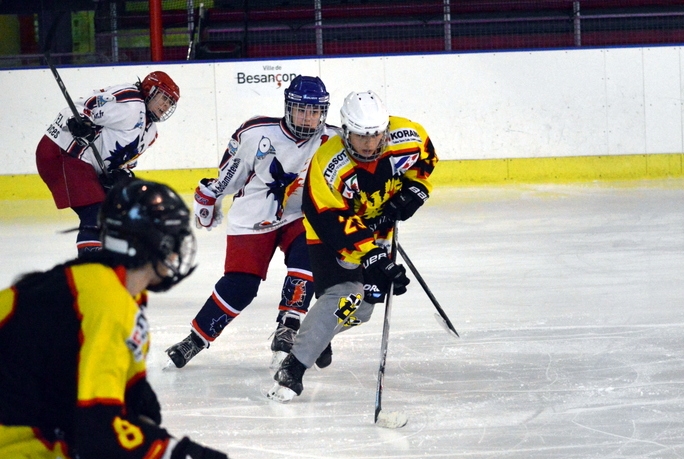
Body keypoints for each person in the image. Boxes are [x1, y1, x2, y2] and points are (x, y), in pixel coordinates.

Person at [0, 179, 248, 459]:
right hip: (12, 457)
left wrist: (136, 405)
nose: (178, 252)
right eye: (173, 240)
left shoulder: (96, 283)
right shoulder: (108, 303)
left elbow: (68, 373)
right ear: (153, 244)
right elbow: (98, 432)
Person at [267, 90, 437, 403]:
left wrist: (414, 193)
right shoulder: (328, 164)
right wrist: (373, 257)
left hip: (377, 229)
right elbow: (330, 219)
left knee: (364, 307)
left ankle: (317, 333)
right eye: (361, 136)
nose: (370, 144)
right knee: (344, 294)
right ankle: (293, 368)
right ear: (345, 131)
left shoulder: (408, 137)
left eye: (375, 135)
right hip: (329, 234)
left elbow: (425, 161)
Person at [165, 75, 340, 370]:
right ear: (288, 107)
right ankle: (195, 339)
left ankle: (289, 324)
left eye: (315, 111)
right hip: (255, 214)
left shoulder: (332, 140)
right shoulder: (257, 133)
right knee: (240, 285)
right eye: (301, 110)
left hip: (300, 213)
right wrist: (209, 196)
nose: (308, 118)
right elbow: (230, 174)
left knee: (308, 254)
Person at [36, 71, 180, 256]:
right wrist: (79, 123)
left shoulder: (151, 133)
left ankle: (113, 261)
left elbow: (124, 163)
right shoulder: (131, 103)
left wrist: (121, 175)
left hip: (83, 163)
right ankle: (90, 270)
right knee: (96, 213)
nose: (165, 105)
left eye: (170, 103)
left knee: (118, 212)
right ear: (149, 90)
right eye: (164, 98)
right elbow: (83, 106)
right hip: (63, 152)